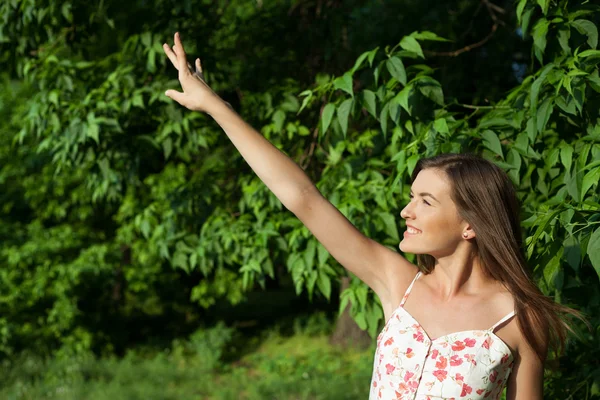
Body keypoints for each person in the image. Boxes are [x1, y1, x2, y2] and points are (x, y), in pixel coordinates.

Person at [162, 32, 580, 399]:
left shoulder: (520, 319)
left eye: (426, 201)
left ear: (471, 224)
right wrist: (215, 107)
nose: (406, 210)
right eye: (411, 196)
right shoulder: (397, 282)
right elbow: (302, 197)